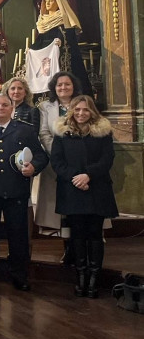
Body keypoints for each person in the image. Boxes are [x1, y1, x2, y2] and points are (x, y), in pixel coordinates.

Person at [0, 94, 48, 291]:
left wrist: (34, 167)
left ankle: (19, 275)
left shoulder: (25, 129)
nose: (0, 108)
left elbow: (41, 156)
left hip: (16, 192)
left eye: (5, 105)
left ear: (12, 107)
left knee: (18, 236)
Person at [51, 95, 117, 298]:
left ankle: (94, 279)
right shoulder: (62, 133)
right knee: (77, 235)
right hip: (72, 190)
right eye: (77, 109)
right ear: (71, 111)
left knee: (95, 235)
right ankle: (81, 277)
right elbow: (57, 161)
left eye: (85, 110)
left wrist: (88, 175)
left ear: (92, 112)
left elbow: (107, 159)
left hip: (96, 188)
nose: (81, 113)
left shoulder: (103, 132)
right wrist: (75, 178)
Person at [36, 72, 82, 243]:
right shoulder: (45, 107)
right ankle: (66, 247)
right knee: (59, 204)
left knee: (79, 205)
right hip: (55, 162)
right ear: (54, 88)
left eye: (67, 84)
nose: (63, 87)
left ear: (73, 86)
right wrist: (56, 154)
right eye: (59, 85)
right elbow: (44, 133)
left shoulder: (83, 103)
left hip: (80, 162)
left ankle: (78, 245)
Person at [30, 0, 92, 95]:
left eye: (51, 1)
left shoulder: (63, 19)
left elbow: (68, 36)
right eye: (46, 1)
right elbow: (40, 40)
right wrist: (31, 49)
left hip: (61, 58)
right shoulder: (42, 22)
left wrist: (61, 40)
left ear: (58, 3)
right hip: (46, 61)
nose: (47, 3)